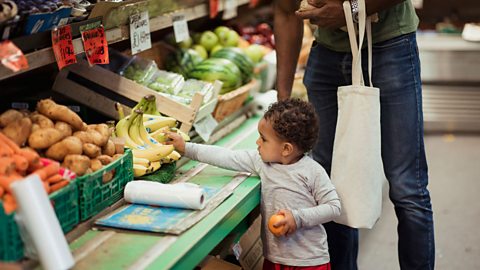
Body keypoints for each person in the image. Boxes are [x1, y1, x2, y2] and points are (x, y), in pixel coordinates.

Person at [273, 0, 435, 269]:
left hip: (390, 47)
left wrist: (354, 10)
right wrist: (282, 101)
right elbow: (285, 10)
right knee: (331, 187)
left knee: (408, 187)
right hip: (326, 55)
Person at [167, 98, 341, 269]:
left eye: (263, 139)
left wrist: (297, 218)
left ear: (286, 149)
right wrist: (186, 148)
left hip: (309, 262)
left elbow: (334, 207)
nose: (258, 143)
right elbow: (226, 157)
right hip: (274, 259)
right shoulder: (262, 162)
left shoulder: (313, 171)